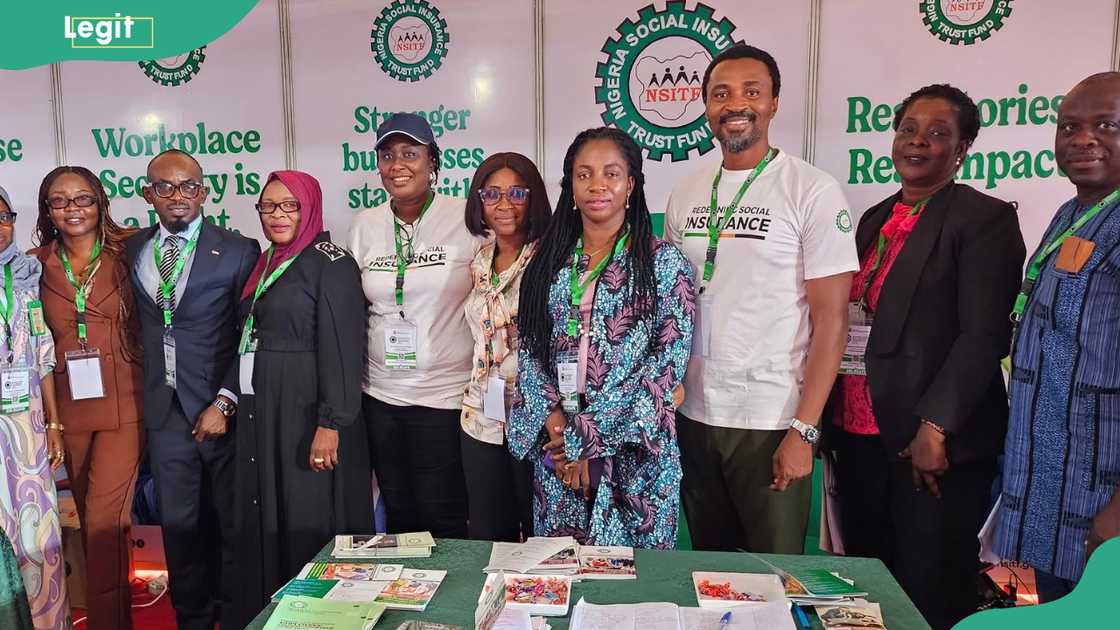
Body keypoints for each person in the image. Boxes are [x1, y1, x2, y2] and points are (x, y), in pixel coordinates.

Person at [822, 85, 1025, 630]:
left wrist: (936, 426)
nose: (917, 142)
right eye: (908, 129)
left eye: (937, 134)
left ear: (962, 149)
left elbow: (983, 335)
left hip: (930, 445)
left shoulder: (983, 219)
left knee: (929, 586)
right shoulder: (875, 218)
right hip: (859, 430)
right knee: (866, 583)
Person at [665, 43, 857, 553]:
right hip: (694, 415)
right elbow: (674, 308)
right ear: (706, 106)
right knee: (711, 572)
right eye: (721, 93)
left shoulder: (811, 190)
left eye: (752, 92)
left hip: (771, 420)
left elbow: (832, 323)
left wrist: (804, 430)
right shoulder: (686, 192)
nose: (736, 104)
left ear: (774, 103)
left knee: (774, 576)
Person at [508, 127, 695, 548]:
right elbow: (531, 350)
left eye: (611, 174)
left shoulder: (664, 264)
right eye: (584, 174)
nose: (597, 185)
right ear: (571, 188)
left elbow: (665, 366)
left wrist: (584, 440)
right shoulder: (546, 261)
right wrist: (559, 429)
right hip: (557, 455)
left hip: (635, 460)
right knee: (561, 573)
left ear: (631, 185)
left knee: (638, 580)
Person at [994, 71, 1120, 602]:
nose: (1082, 139)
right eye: (1069, 126)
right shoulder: (1072, 214)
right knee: (1027, 611)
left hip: (1099, 505)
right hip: (1036, 494)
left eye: (1106, 125)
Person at [230, 170, 372, 624]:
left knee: (310, 516)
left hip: (310, 411)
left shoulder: (331, 263)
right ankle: (278, 615)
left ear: (310, 207)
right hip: (267, 410)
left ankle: (320, 617)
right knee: (275, 514)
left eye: (289, 205)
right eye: (268, 206)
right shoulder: (267, 261)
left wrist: (331, 423)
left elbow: (344, 349)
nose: (277, 215)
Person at [126, 149, 259, 630]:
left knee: (232, 523)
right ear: (148, 194)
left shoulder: (239, 250)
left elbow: (250, 335)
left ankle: (238, 613)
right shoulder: (132, 249)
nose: (177, 195)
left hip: (221, 409)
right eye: (165, 186)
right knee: (180, 528)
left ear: (203, 192)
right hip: (165, 412)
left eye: (188, 186)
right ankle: (194, 619)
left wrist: (226, 400)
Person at [349, 113, 483, 538]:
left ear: (432, 162)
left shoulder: (465, 218)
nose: (398, 165)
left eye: (410, 153)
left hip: (444, 396)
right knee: (399, 513)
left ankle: (450, 585)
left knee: (443, 514)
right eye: (388, 155)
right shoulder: (365, 224)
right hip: (380, 395)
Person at [30, 166, 145, 630]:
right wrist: (51, 422)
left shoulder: (131, 251)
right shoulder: (34, 265)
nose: (72, 209)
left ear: (100, 203)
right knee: (92, 522)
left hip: (125, 404)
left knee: (102, 523)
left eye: (83, 198)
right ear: (47, 210)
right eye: (60, 201)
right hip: (69, 409)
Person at [460, 152, 551, 542]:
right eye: (492, 194)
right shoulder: (479, 262)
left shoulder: (551, 258)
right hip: (480, 417)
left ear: (533, 199)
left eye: (516, 193)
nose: (503, 204)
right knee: (487, 535)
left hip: (537, 420)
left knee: (538, 537)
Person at [0, 184, 70, 629]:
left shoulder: (26, 274)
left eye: (4, 216)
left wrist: (55, 424)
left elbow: (44, 353)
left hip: (28, 429)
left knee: (39, 532)